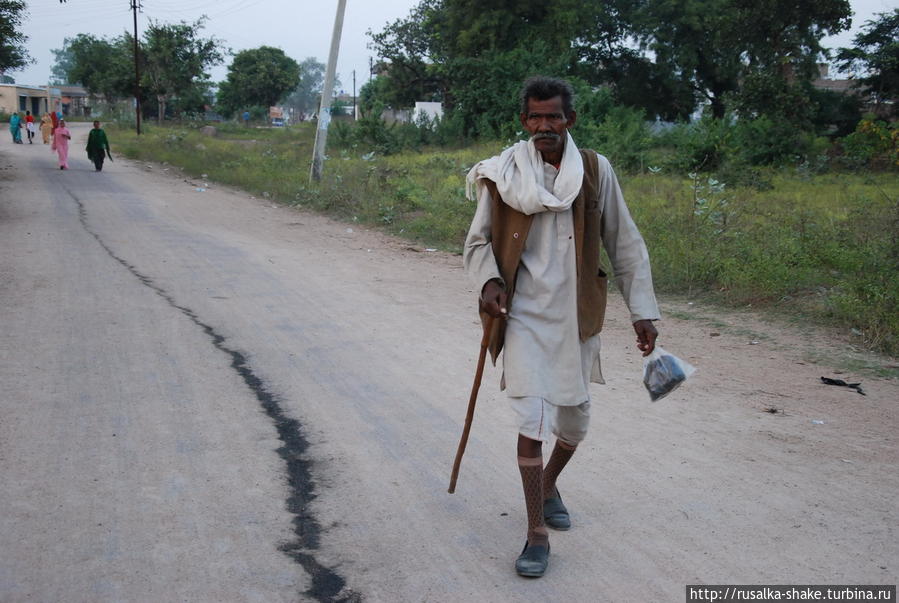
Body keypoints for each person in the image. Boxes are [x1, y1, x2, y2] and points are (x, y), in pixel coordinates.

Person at [463, 76, 660, 578]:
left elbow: (625, 243)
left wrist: (643, 311)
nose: (545, 125)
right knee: (530, 423)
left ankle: (549, 483)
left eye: (554, 116)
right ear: (524, 121)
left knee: (573, 423)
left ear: (570, 119)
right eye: (536, 117)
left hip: (576, 317)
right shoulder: (504, 173)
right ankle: (536, 534)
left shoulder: (594, 170)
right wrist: (488, 283)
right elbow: (477, 242)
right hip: (523, 316)